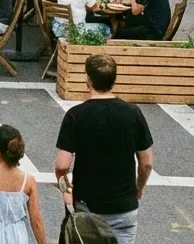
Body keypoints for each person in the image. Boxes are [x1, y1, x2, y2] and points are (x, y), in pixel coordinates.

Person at [54, 54, 155, 244]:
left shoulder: (76, 116)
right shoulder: (133, 113)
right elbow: (147, 163)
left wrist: (65, 189)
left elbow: (62, 165)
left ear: (88, 80)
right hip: (124, 206)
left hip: (88, 207)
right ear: (114, 80)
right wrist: (138, 189)